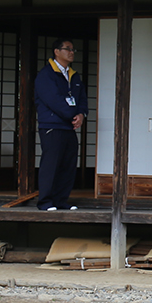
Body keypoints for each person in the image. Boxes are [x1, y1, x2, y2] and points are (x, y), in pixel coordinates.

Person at [33, 38, 87, 211]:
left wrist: (81, 114)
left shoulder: (74, 75)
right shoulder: (46, 75)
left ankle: (61, 200)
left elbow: (82, 100)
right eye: (68, 49)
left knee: (68, 165)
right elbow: (53, 100)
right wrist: (73, 115)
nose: (71, 52)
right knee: (51, 164)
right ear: (56, 51)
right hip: (52, 125)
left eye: (73, 50)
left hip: (68, 127)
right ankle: (45, 202)